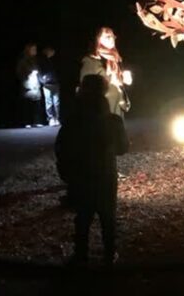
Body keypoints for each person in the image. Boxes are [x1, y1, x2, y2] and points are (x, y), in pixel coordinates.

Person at [55, 75, 129, 266]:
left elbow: (61, 148)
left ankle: (81, 254)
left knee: (82, 217)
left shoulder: (73, 120)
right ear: (104, 91)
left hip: (81, 176)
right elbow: (123, 148)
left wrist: (65, 173)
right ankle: (110, 254)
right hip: (106, 175)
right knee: (108, 216)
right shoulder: (112, 120)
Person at [79, 27, 132, 119]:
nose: (112, 39)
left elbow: (118, 83)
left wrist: (124, 79)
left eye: (112, 36)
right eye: (107, 36)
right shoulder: (91, 61)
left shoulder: (115, 58)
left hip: (116, 107)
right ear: (97, 39)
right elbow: (87, 88)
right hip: (101, 112)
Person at [16, 42, 43, 128]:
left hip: (36, 84)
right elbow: (19, 72)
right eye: (33, 49)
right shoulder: (23, 61)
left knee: (36, 104)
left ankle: (36, 121)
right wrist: (29, 74)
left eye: (35, 49)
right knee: (28, 104)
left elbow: (39, 71)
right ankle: (27, 122)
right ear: (28, 50)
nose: (35, 51)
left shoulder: (36, 61)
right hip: (27, 84)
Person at [39, 46, 60, 126]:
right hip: (47, 84)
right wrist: (42, 81)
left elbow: (58, 71)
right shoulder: (42, 61)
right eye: (49, 50)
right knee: (49, 102)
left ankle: (56, 118)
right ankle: (50, 118)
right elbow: (39, 72)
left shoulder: (55, 61)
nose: (51, 52)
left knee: (56, 102)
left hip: (55, 83)